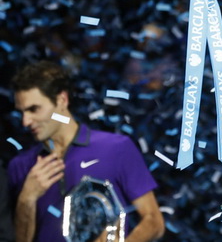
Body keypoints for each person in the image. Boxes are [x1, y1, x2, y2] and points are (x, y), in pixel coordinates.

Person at [7, 60, 165, 242]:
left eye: (34, 109)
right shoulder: (19, 166)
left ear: (62, 100)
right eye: (22, 112)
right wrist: (26, 199)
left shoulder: (116, 148)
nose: (25, 121)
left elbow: (154, 221)